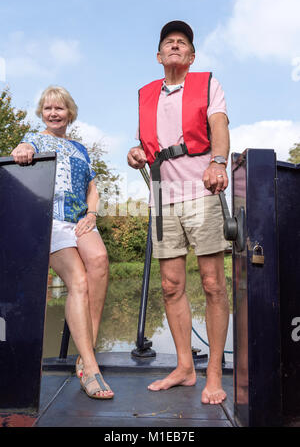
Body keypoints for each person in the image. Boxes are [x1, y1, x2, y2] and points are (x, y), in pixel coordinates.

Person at [127, 21, 230, 405]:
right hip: (162, 195)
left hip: (201, 191)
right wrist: (134, 153)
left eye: (182, 42)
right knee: (171, 285)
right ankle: (185, 367)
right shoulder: (146, 94)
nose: (174, 45)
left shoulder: (207, 84)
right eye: (168, 42)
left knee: (213, 283)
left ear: (191, 55)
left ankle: (214, 372)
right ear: (159, 56)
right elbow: (145, 146)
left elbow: (219, 123)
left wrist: (218, 161)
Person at [11, 86, 113, 400]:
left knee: (99, 262)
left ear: (70, 112)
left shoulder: (81, 148)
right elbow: (21, 149)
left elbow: (92, 187)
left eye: (60, 108)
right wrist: (21, 151)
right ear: (42, 113)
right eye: (48, 109)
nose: (54, 113)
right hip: (51, 220)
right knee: (78, 282)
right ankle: (91, 368)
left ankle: (85, 351)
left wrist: (93, 213)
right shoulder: (34, 138)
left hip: (80, 219)